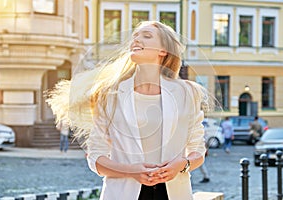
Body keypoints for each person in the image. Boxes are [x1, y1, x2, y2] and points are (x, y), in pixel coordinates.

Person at [46, 21, 212, 200]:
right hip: (122, 193)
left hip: (174, 194)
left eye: (146, 36)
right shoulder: (109, 94)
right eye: (135, 36)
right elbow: (96, 158)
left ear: (163, 51)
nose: (136, 40)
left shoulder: (187, 92)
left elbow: (197, 151)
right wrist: (131, 171)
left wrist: (182, 165)